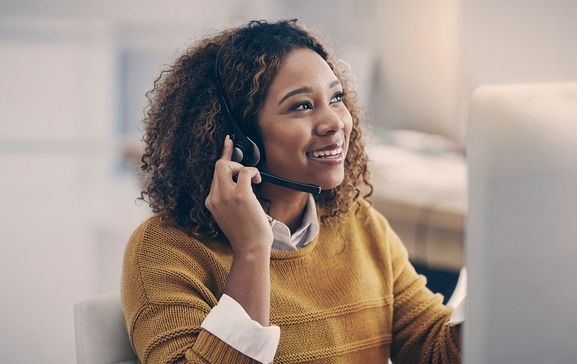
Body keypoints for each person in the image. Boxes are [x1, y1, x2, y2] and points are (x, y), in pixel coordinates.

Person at [121, 19, 462, 363]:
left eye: (336, 97)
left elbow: (435, 351)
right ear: (239, 140)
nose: (334, 123)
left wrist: (505, 271)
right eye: (302, 106)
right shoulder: (165, 250)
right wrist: (252, 251)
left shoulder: (360, 223)